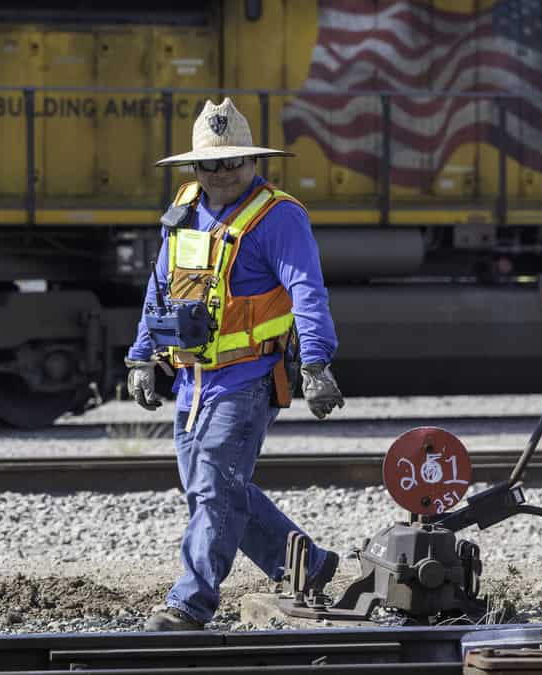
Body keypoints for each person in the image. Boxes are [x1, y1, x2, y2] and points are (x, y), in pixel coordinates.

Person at [125, 98, 346, 631]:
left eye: (233, 162)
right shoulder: (185, 207)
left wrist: (316, 364)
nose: (221, 172)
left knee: (213, 490)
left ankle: (189, 603)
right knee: (217, 490)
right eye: (210, 163)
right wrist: (140, 356)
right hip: (191, 380)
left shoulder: (280, 216)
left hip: (247, 378)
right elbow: (160, 287)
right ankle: (306, 565)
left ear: (253, 162)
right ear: (194, 167)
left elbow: (307, 292)